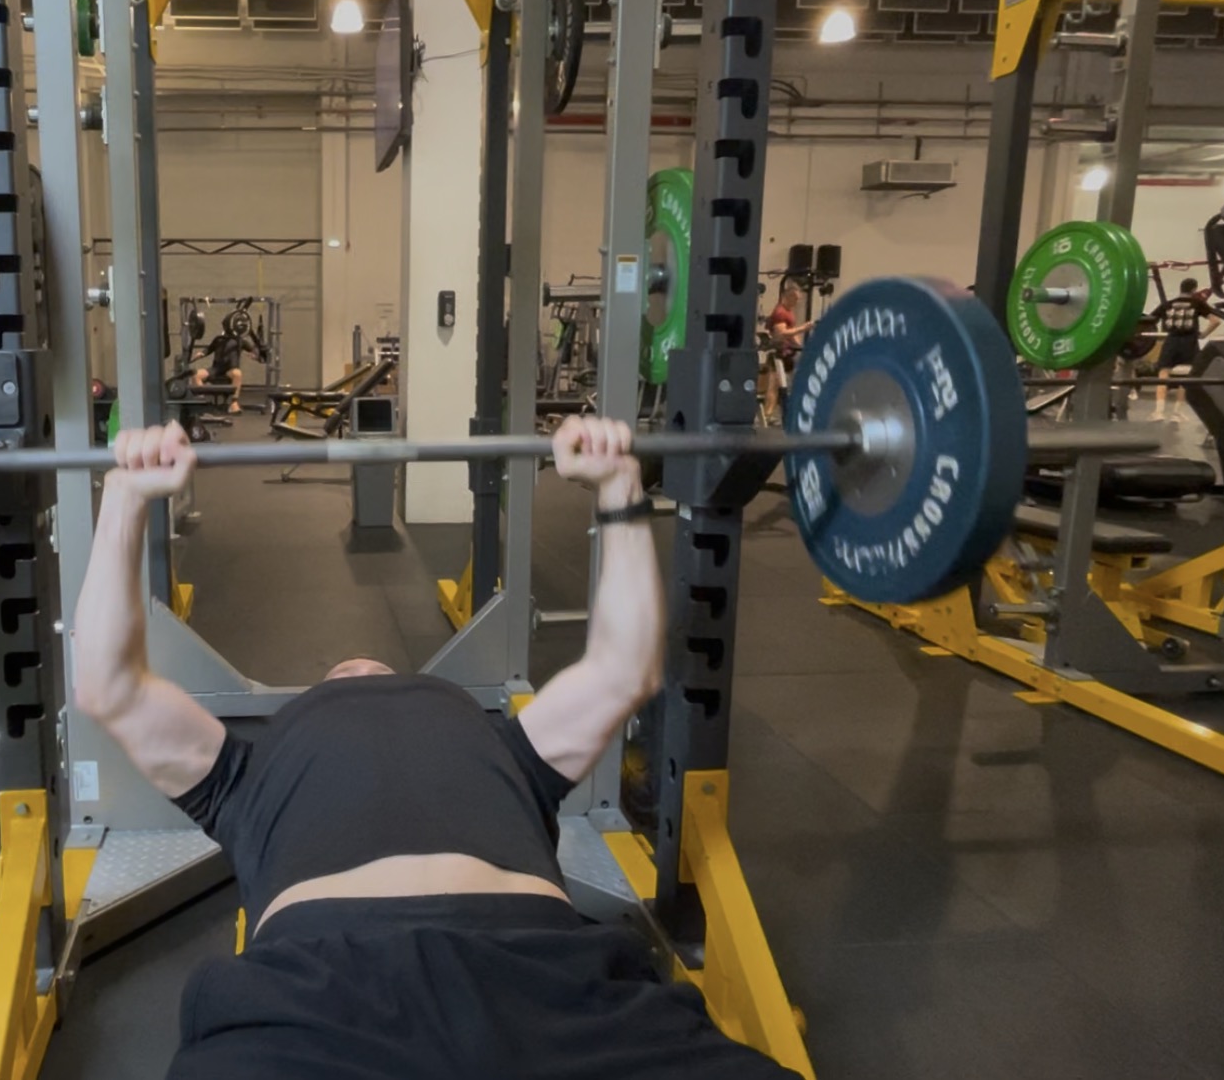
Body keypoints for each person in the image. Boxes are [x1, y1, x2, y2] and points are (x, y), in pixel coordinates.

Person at [74, 416, 799, 1080]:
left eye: (365, 668)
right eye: (343, 672)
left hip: (544, 973)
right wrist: (125, 498)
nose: (357, 664)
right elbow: (106, 687)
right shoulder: (243, 774)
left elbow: (625, 669)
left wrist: (619, 486)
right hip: (327, 988)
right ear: (310, 706)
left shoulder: (504, 748)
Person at [1152, 278, 1220, 407]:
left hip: (1171, 340)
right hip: (1189, 341)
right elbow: (1216, 321)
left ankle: (1159, 411)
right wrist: (1204, 334)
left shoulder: (1168, 304)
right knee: (1186, 376)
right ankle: (1177, 413)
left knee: (1163, 373)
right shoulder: (1197, 303)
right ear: (1194, 289)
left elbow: (1150, 320)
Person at [759, 276, 815, 423]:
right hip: (779, 355)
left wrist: (802, 348)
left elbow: (791, 334)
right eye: (795, 299)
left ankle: (773, 415)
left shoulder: (788, 312)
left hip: (788, 354)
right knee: (774, 386)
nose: (796, 303)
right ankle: (767, 416)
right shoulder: (780, 312)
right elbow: (782, 333)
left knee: (784, 387)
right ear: (787, 297)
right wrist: (804, 328)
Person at [191, 328, 247, 413]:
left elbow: (253, 349)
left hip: (230, 370)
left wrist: (257, 355)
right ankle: (201, 403)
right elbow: (209, 349)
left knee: (237, 373)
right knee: (196, 374)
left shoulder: (239, 340)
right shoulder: (218, 339)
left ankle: (233, 403)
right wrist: (202, 353)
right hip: (216, 369)